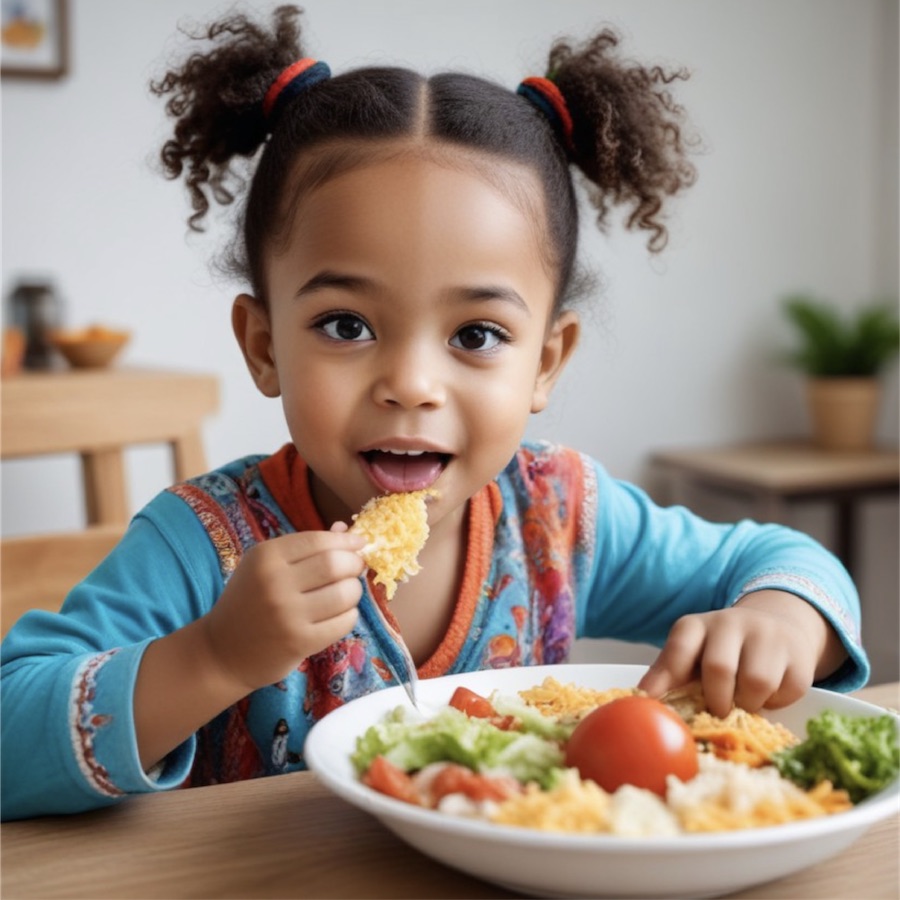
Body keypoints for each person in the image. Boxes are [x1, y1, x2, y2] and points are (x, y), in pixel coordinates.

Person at [0, 5, 868, 821]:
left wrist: (784, 617)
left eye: (478, 333)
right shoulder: (206, 547)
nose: (411, 383)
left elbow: (779, 557)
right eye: (347, 325)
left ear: (547, 362)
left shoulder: (558, 519)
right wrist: (211, 658)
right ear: (264, 346)